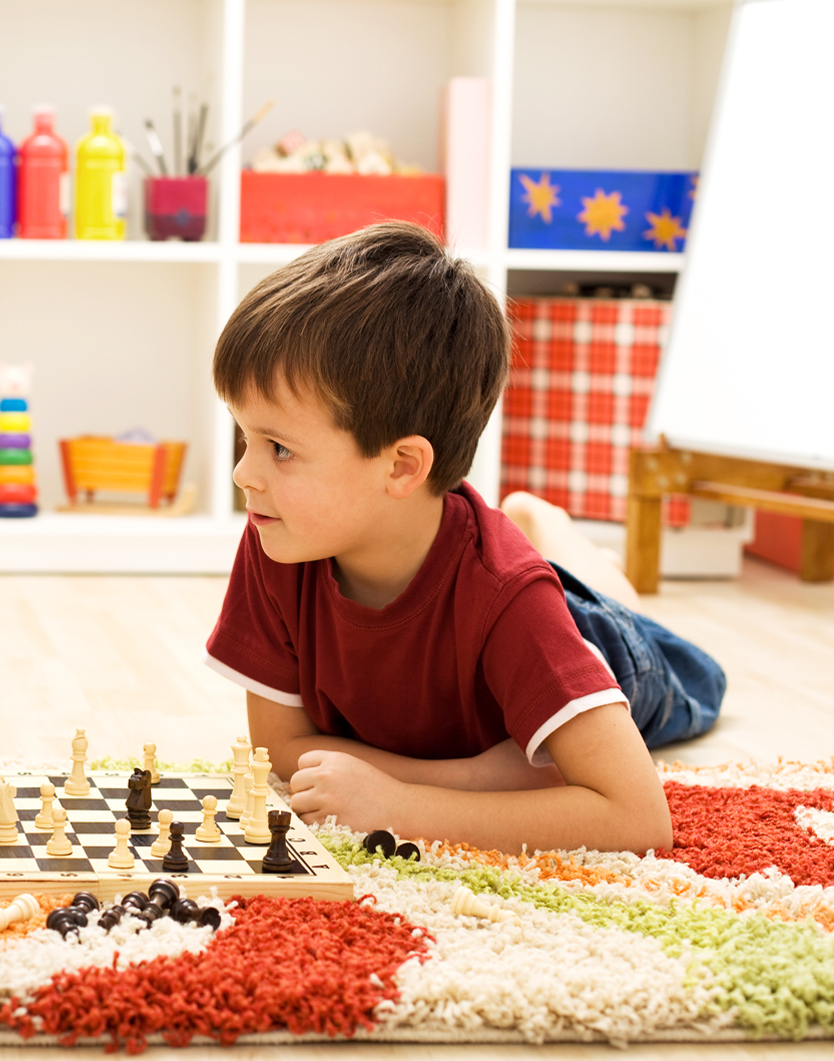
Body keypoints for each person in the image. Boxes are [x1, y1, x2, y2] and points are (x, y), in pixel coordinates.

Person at [203, 221, 724, 854]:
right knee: (549, 583)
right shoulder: (279, 539)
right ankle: (547, 532)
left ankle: (559, 546)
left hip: (612, 649)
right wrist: (482, 778)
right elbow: (282, 749)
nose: (243, 474)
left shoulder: (509, 598)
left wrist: (400, 805)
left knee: (619, 624)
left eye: (279, 448)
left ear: (401, 466)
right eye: (246, 437)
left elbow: (638, 818)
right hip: (506, 607)